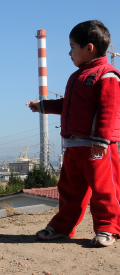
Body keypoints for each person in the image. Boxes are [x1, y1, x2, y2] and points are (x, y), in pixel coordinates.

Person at [26, 20, 120, 247]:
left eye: (72, 47)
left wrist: (101, 140)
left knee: (104, 189)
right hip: (73, 146)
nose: (69, 53)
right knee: (68, 190)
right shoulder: (77, 76)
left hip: (97, 147)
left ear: (89, 48)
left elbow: (109, 110)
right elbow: (68, 105)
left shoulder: (107, 75)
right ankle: (62, 227)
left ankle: (108, 228)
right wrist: (42, 106)